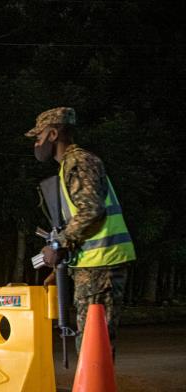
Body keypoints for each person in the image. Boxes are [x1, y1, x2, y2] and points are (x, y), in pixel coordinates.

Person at [26, 107, 136, 359]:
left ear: (53, 134)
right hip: (94, 266)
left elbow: (91, 210)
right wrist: (60, 266)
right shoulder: (70, 166)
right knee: (91, 342)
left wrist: (57, 246)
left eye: (39, 137)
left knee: (93, 343)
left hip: (102, 264)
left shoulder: (79, 162)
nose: (37, 143)